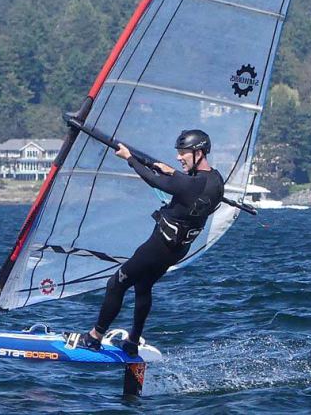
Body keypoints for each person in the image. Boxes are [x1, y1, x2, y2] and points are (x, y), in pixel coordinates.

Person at [74, 129, 224, 356]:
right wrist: (172, 171)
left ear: (200, 153)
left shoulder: (188, 185)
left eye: (184, 153)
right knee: (143, 286)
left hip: (158, 247)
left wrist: (129, 158)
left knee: (116, 283)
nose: (178, 157)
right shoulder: (216, 180)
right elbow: (191, 184)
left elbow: (153, 179)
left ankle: (94, 337)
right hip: (178, 249)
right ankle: (132, 342)